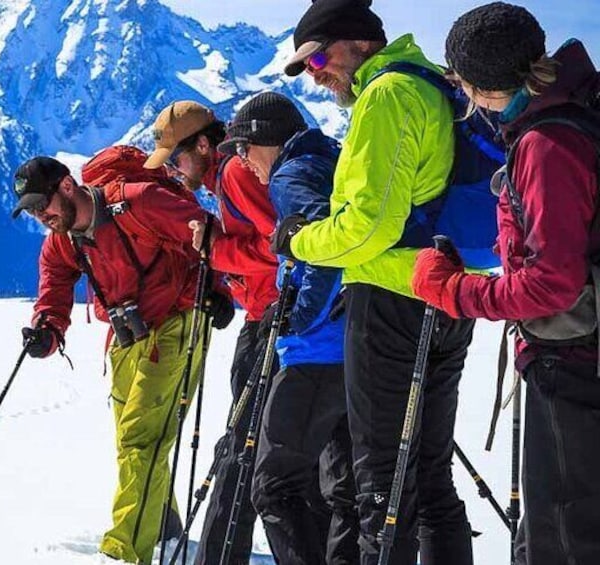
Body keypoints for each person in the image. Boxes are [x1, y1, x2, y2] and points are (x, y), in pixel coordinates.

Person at [273, 1, 475, 563]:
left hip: (391, 300)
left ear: (358, 41)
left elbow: (366, 228)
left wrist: (298, 241)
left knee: (381, 488)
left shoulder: (385, 95)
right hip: (445, 294)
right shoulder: (429, 82)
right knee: (431, 477)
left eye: (317, 57)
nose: (314, 72)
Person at [412, 3, 600, 564]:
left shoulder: (547, 144)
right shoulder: (577, 111)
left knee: (562, 539)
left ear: (479, 85)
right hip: (581, 356)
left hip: (572, 360)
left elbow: (553, 283)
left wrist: (454, 290)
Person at [11, 148, 235, 564]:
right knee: (131, 441)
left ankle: (124, 552)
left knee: (141, 436)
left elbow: (206, 230)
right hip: (125, 334)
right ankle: (164, 525)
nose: (41, 216)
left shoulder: (136, 203)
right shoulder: (62, 242)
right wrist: (48, 329)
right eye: (32, 211)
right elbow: (55, 284)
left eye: (42, 205)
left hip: (177, 321)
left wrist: (218, 291)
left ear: (66, 186)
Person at [218, 90, 360, 565]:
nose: (241, 161)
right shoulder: (329, 159)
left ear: (266, 140)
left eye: (243, 148)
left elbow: (323, 245)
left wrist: (299, 321)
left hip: (315, 353)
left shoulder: (291, 174)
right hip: (356, 346)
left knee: (273, 487)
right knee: (344, 487)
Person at [144, 101, 279, 564]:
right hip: (272, 315)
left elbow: (280, 244)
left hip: (272, 319)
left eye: (177, 160)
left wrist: (217, 251)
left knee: (241, 448)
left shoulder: (237, 174)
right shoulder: (230, 176)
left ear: (203, 145)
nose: (177, 173)